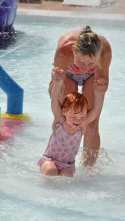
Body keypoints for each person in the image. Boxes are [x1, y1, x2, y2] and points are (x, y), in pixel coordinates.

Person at [48, 25, 111, 167]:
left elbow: (102, 87)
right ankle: (58, 159)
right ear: (74, 52)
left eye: (90, 63)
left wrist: (100, 91)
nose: (84, 66)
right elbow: (54, 86)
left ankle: (88, 169)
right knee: (66, 117)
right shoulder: (65, 50)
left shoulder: (104, 51)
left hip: (92, 77)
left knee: (91, 122)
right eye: (81, 62)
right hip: (68, 75)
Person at [38, 67, 107, 177]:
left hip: (67, 165)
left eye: (82, 116)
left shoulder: (81, 126)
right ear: (64, 111)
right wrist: (58, 84)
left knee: (67, 178)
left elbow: (95, 110)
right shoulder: (59, 120)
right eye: (74, 116)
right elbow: (54, 100)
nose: (78, 120)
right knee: (51, 171)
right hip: (49, 161)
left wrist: (98, 94)